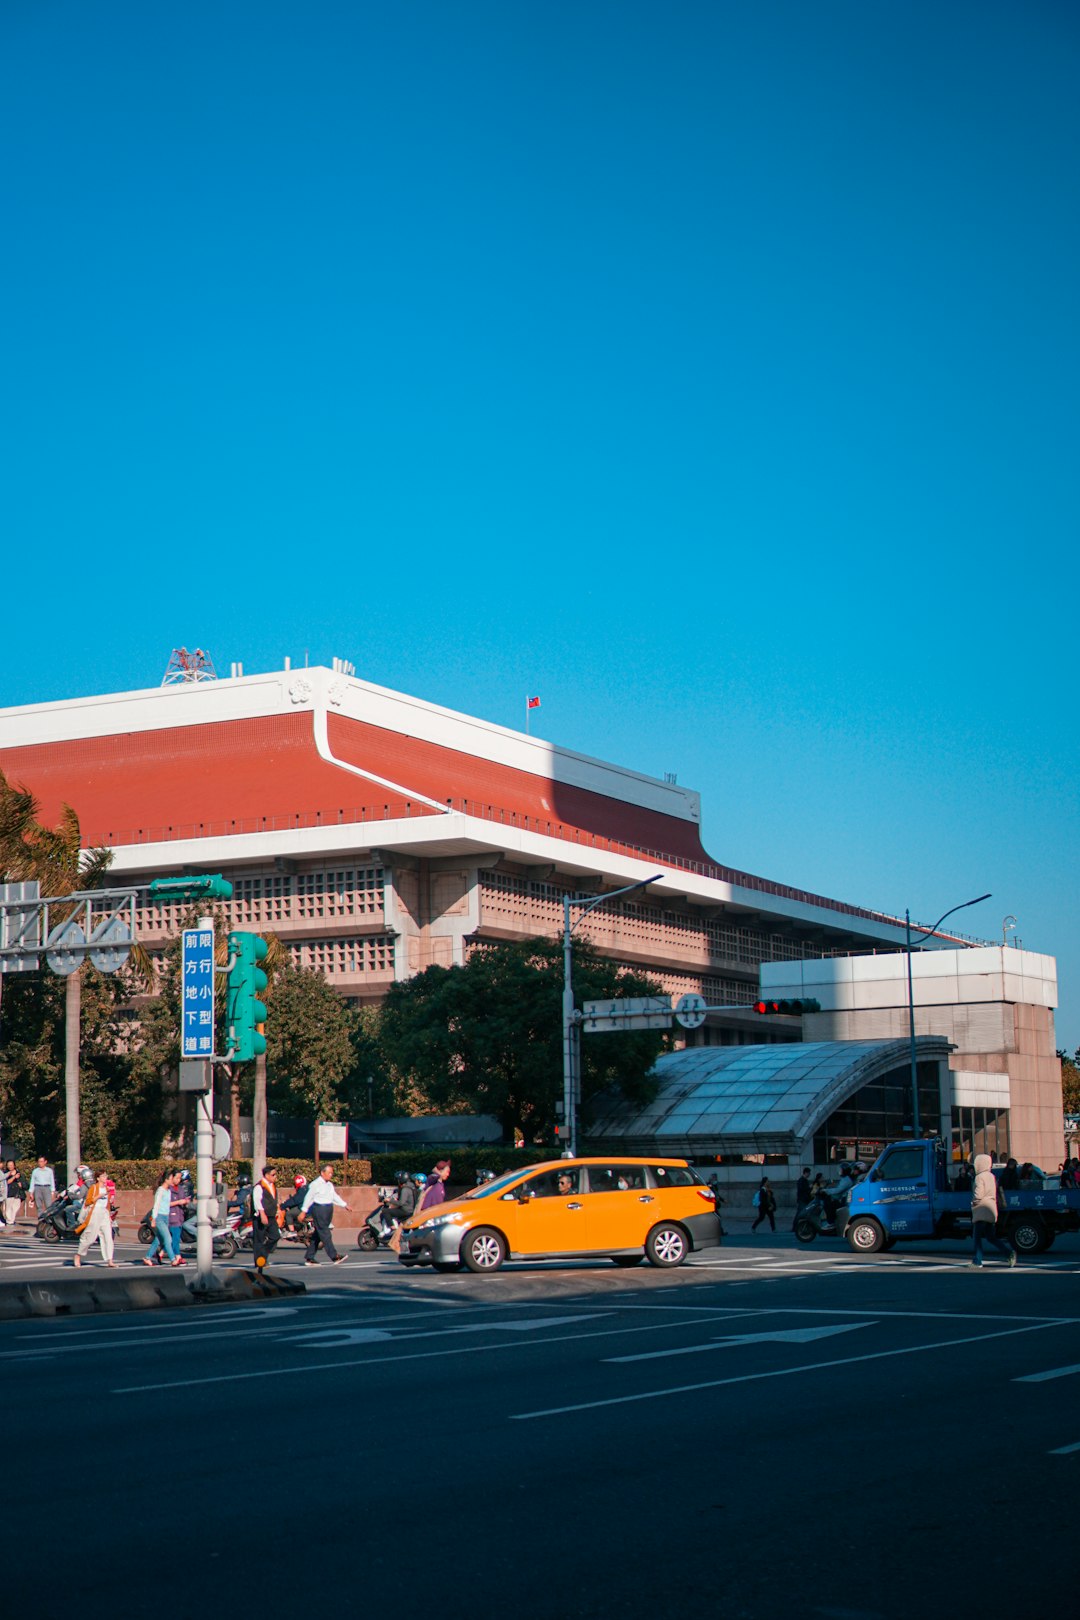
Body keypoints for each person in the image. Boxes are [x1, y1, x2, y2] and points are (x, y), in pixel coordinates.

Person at [969, 1153, 1017, 1269]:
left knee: (977, 1237)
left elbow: (978, 1194)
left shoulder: (979, 1177)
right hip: (991, 1208)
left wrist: (973, 1202)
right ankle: (1008, 1253)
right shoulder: (991, 1176)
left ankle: (978, 1261)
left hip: (981, 1208)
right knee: (991, 1237)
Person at [300, 1165, 348, 1266]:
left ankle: (310, 1257)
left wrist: (344, 1205)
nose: (331, 1175)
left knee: (318, 1234)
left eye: (331, 1173)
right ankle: (334, 1256)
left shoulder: (329, 1185)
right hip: (319, 1209)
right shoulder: (315, 1184)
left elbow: (334, 1196)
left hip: (328, 1209)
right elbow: (309, 1198)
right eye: (329, 1172)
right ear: (322, 1173)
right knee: (326, 1233)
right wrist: (304, 1211)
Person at [73, 1170, 117, 1269]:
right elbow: (88, 1201)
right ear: (98, 1178)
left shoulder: (106, 1189)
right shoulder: (93, 1188)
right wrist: (98, 1196)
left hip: (104, 1214)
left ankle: (110, 1260)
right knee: (90, 1238)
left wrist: (109, 1215)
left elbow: (108, 1204)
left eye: (106, 1175)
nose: (105, 1177)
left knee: (108, 1237)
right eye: (103, 1176)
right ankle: (78, 1255)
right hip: (95, 1213)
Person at [144, 1169, 182, 1267]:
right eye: (171, 1179)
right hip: (159, 1217)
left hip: (166, 1217)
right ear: (166, 1179)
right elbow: (156, 1205)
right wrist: (153, 1219)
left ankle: (147, 1257)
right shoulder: (160, 1191)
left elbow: (167, 1205)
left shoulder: (168, 1191)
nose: (173, 1180)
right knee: (168, 1239)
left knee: (159, 1239)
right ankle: (173, 1259)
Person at [251, 1167, 281, 1271]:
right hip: (261, 1216)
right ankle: (259, 1261)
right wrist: (262, 1214)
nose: (275, 1177)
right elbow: (257, 1201)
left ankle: (263, 1255)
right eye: (273, 1175)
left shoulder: (272, 1186)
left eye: (275, 1174)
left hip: (271, 1216)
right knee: (259, 1239)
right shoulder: (259, 1187)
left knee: (275, 1236)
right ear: (266, 1175)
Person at [3, 1160, 25, 1228]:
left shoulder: (19, 1173)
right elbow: (6, 1182)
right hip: (8, 1192)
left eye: (11, 1165)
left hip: (17, 1193)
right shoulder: (5, 1173)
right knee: (8, 1207)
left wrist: (21, 1184)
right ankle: (9, 1221)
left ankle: (12, 1219)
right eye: (8, 1165)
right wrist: (14, 1177)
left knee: (16, 1207)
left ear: (14, 1165)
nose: (10, 1166)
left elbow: (24, 1182)